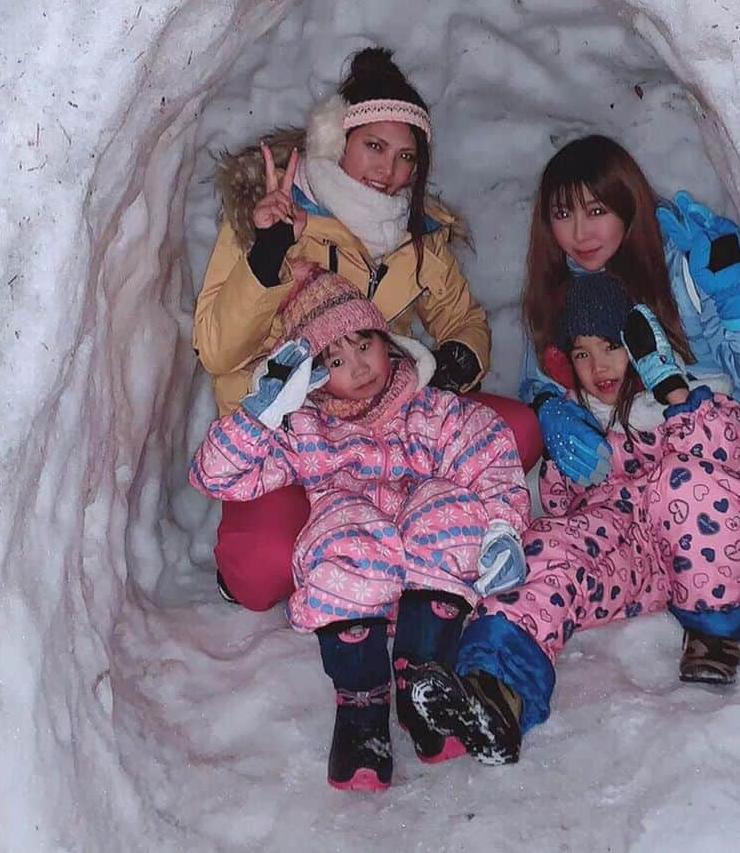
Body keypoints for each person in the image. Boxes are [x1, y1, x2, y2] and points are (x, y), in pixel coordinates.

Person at [193, 46, 542, 610]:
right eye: (374, 147)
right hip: (291, 440)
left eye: (406, 156)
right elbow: (216, 350)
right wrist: (268, 257)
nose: (389, 172)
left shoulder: (415, 233)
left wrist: (458, 358)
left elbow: (463, 317)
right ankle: (332, 534)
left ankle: (400, 540)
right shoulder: (273, 213)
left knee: (518, 429)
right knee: (258, 578)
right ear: (336, 141)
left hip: (385, 433)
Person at [189, 270, 531, 790]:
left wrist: (502, 528)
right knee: (344, 528)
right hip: (354, 590)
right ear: (315, 375)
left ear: (386, 341)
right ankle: (361, 711)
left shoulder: (430, 406)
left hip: (429, 581)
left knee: (449, 504)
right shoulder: (305, 429)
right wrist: (259, 416)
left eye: (364, 343)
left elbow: (489, 456)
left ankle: (425, 688)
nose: (360, 366)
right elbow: (216, 476)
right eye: (335, 360)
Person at [408, 271, 740, 765]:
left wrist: (674, 393)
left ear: (642, 347)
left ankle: (714, 635)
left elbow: (732, 448)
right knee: (547, 547)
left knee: (688, 482)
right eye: (581, 353)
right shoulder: (577, 415)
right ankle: (495, 692)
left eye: (611, 346)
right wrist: (565, 459)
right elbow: (560, 509)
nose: (598, 366)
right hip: (623, 560)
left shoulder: (687, 398)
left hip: (689, 551)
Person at [518, 136, 740, 632]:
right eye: (563, 215)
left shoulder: (685, 268)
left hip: (703, 465)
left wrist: (737, 302)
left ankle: (712, 584)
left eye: (597, 209)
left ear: (629, 205)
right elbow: (540, 378)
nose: (580, 232)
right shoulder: (558, 291)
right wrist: (547, 406)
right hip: (618, 486)